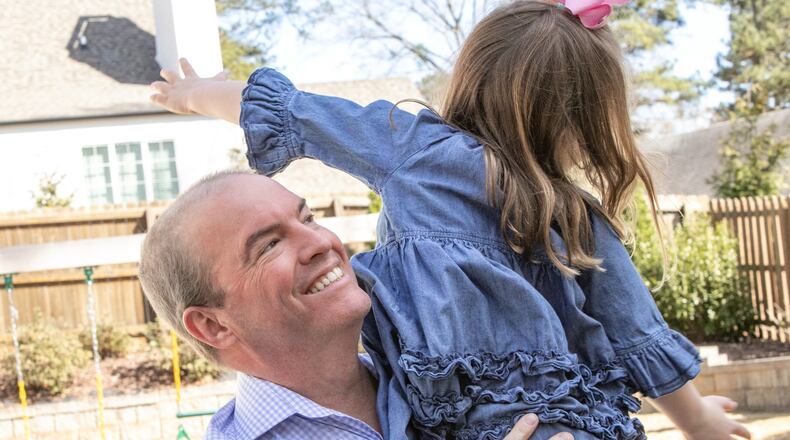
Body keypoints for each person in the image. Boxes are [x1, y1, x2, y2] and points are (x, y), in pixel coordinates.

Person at [149, 1, 752, 438]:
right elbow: (635, 330)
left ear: (470, 74)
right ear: (587, 124)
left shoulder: (412, 148)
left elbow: (294, 112)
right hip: (564, 421)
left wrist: (195, 93)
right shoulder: (573, 212)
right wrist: (700, 423)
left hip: (451, 414)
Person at [139, 171, 573, 440]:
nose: (321, 242)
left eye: (306, 218)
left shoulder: (443, 379)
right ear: (213, 326)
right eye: (269, 245)